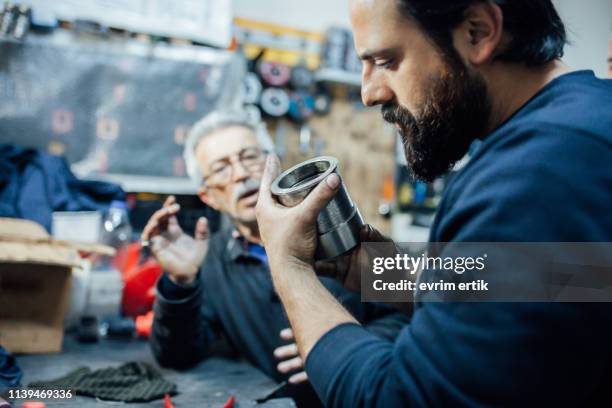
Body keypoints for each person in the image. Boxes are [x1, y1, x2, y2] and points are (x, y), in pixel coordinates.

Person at [255, 0, 612, 406]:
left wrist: (290, 268)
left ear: (477, 31)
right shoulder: (587, 127)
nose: (370, 93)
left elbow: (398, 399)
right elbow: (567, 283)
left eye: (386, 61)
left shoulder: (533, 174)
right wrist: (382, 273)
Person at [141, 109, 408, 406]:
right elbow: (176, 355)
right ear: (208, 197)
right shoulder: (212, 263)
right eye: (221, 168)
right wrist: (180, 282)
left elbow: (411, 313)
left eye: (250, 156)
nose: (241, 173)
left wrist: (343, 343)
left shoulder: (340, 229)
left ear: (273, 162)